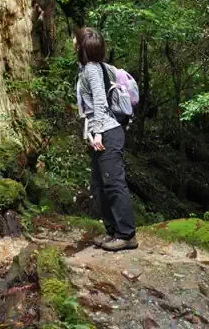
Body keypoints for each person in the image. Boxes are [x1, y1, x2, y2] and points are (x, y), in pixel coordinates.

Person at [75, 26, 138, 251]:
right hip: (101, 132)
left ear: (82, 47)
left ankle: (127, 235)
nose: (73, 41)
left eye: (76, 39)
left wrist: (98, 132)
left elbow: (100, 103)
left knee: (113, 182)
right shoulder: (97, 68)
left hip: (107, 133)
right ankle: (112, 232)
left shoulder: (92, 70)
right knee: (100, 185)